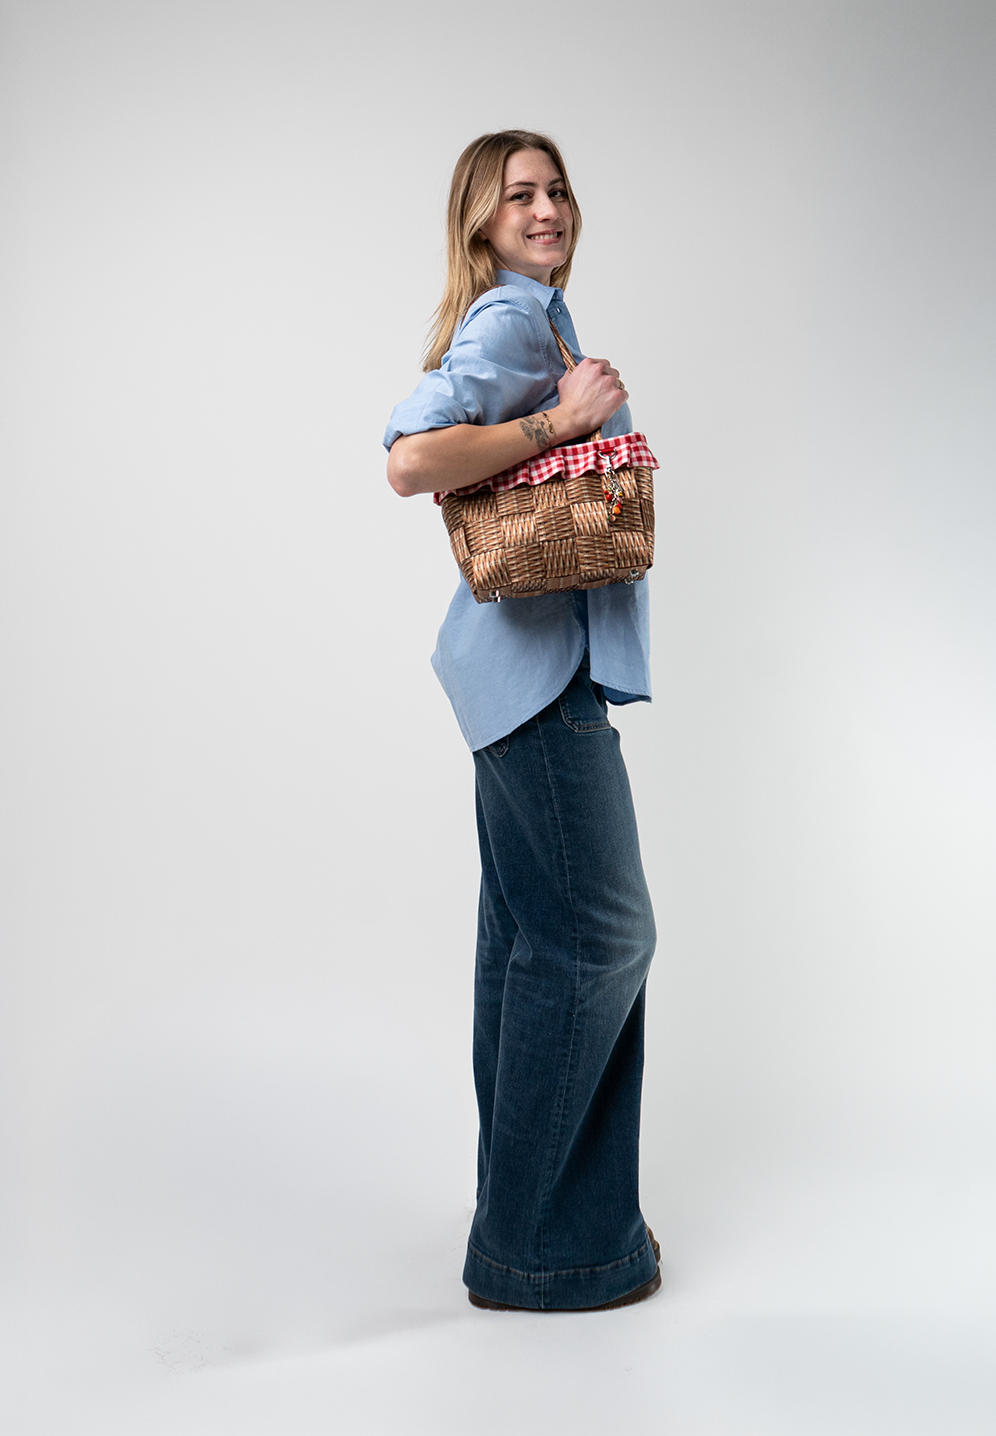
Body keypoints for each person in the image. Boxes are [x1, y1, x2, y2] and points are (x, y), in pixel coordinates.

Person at [384, 131, 660, 1312]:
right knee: (600, 939)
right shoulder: (509, 323)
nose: (546, 209)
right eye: (519, 197)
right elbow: (410, 460)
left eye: (557, 191)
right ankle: (543, 1250)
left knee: (530, 943)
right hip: (536, 683)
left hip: (522, 675)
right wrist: (560, 421)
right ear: (481, 223)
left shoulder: (538, 317)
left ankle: (529, 1221)